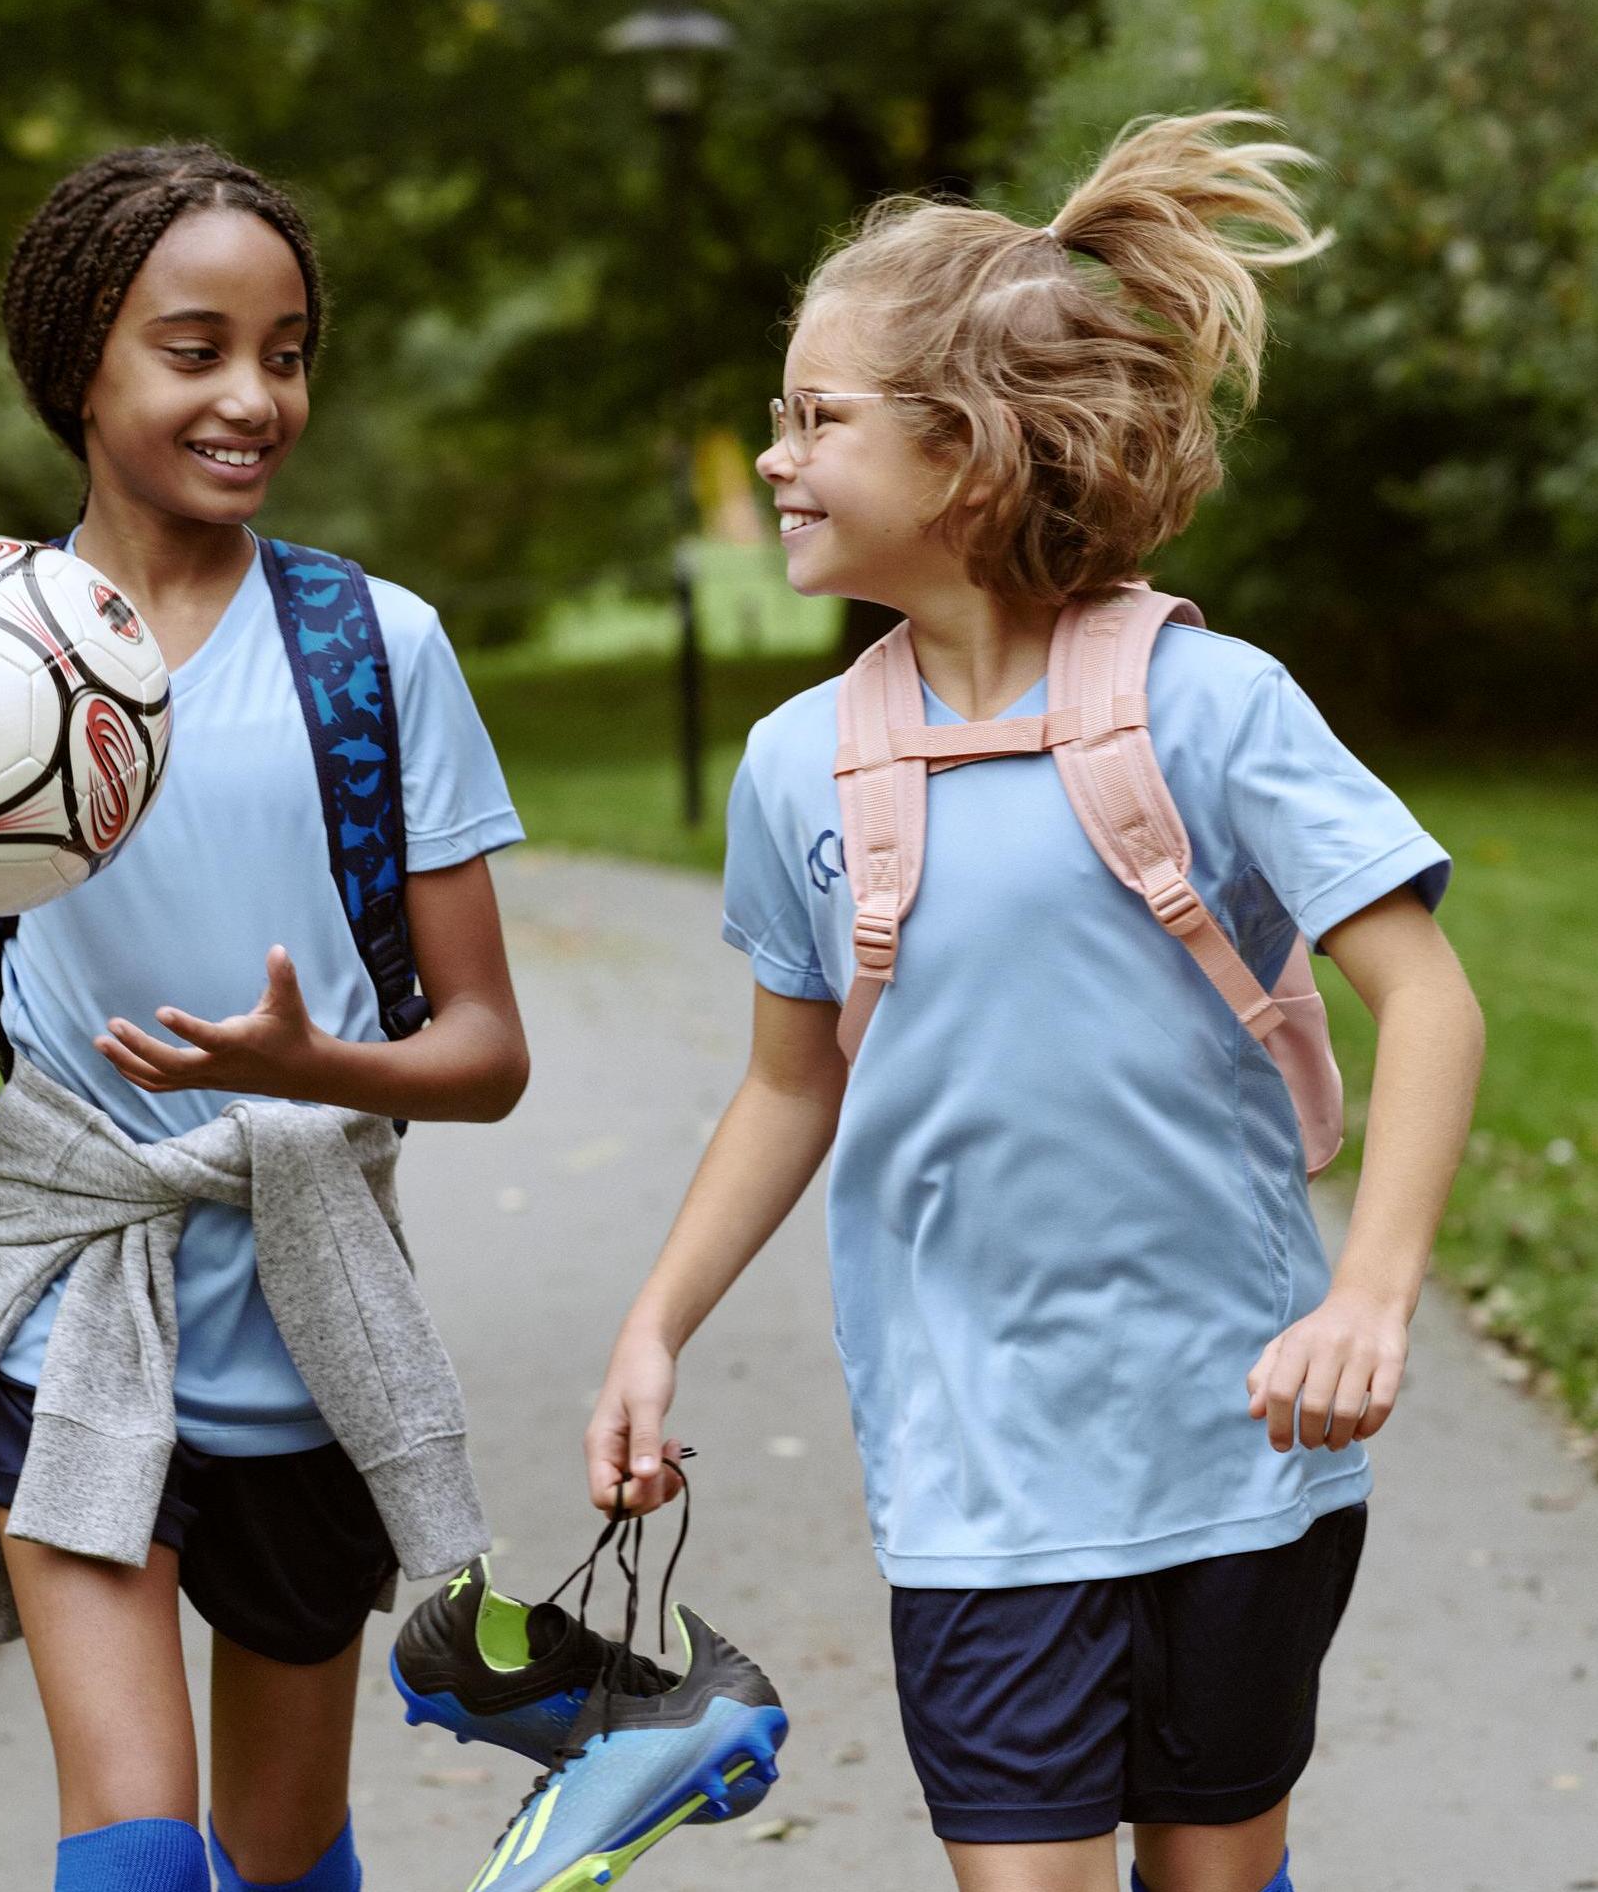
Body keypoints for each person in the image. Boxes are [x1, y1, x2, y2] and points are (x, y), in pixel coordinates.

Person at [583, 112, 1484, 1892]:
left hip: (1240, 1450)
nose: (774, 455)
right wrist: (653, 1322)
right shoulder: (795, 767)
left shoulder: (1207, 706)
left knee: (1215, 1874)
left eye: (815, 417)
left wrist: (1371, 1295)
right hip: (971, 1473)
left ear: (969, 449)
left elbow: (1428, 999)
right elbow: (789, 1084)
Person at [0, 143, 530, 1892]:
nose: (251, 395)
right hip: (74, 1299)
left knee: (277, 1859)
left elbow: (488, 1055)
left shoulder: (375, 648)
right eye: (193, 346)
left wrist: (316, 1067)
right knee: (131, 1854)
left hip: (309, 1308)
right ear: (77, 365)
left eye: (284, 350)